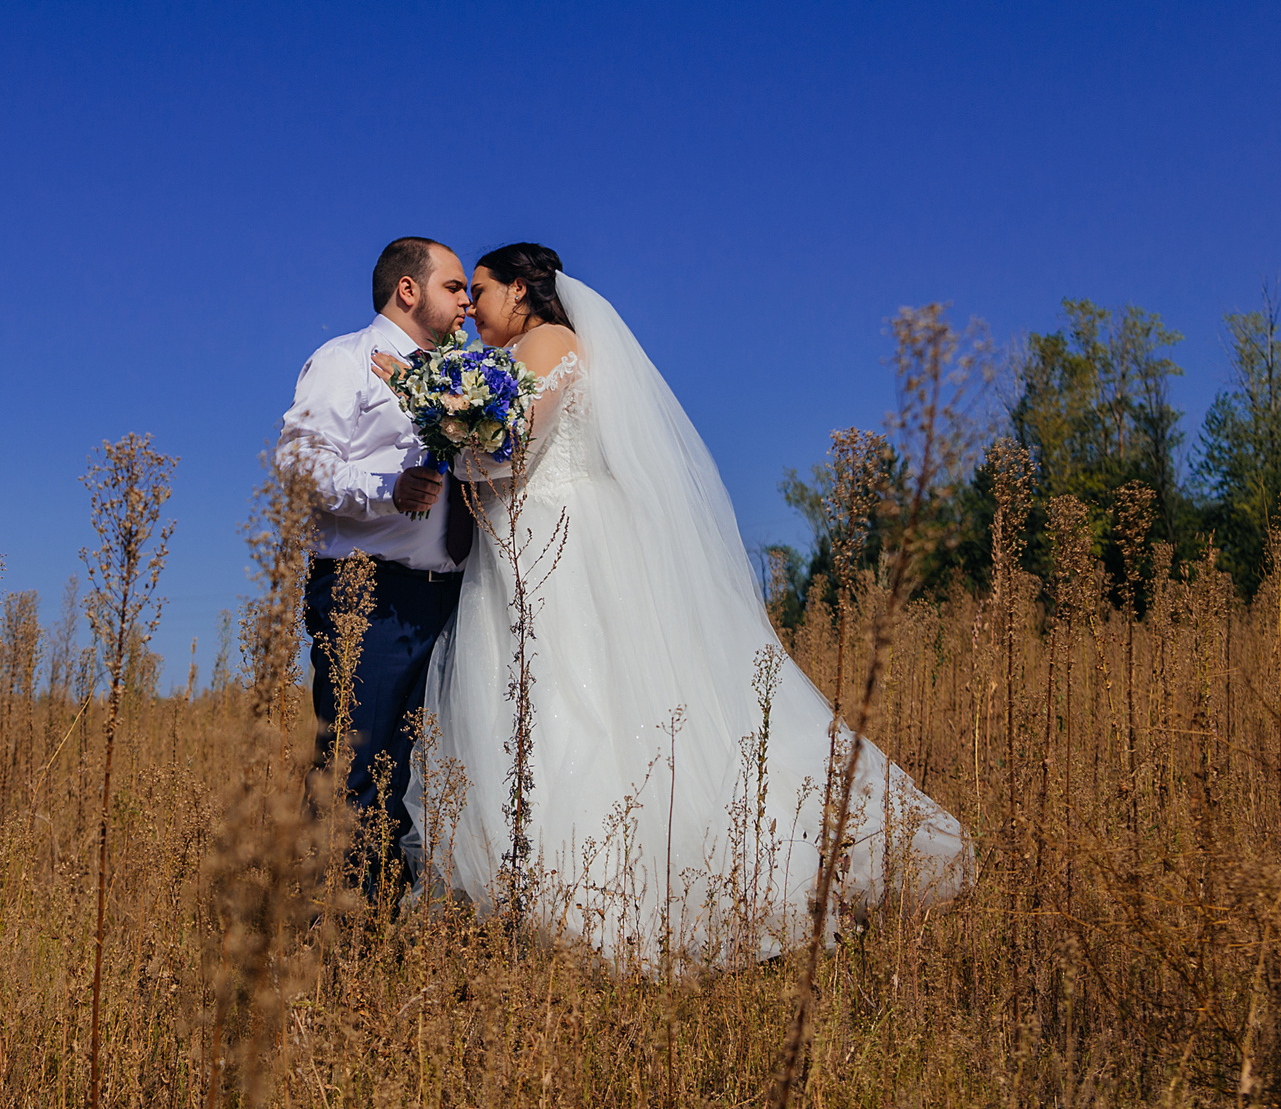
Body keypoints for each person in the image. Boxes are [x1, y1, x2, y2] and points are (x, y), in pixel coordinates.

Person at [379, 243, 973, 964]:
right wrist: (447, 418)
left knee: (572, 698)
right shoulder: (525, 349)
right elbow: (490, 448)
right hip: (522, 547)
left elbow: (508, 439)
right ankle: (545, 884)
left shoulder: (549, 340)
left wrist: (428, 403)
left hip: (556, 542)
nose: (472, 308)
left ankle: (594, 884)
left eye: (481, 289)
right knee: (541, 702)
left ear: (522, 291)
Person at [277, 236, 476, 903]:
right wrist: (384, 486)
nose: (468, 303)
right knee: (353, 768)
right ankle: (336, 935)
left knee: (414, 777)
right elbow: (298, 462)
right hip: (368, 592)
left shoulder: (461, 376)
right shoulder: (345, 361)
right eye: (454, 286)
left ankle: (385, 927)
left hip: (446, 598)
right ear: (409, 290)